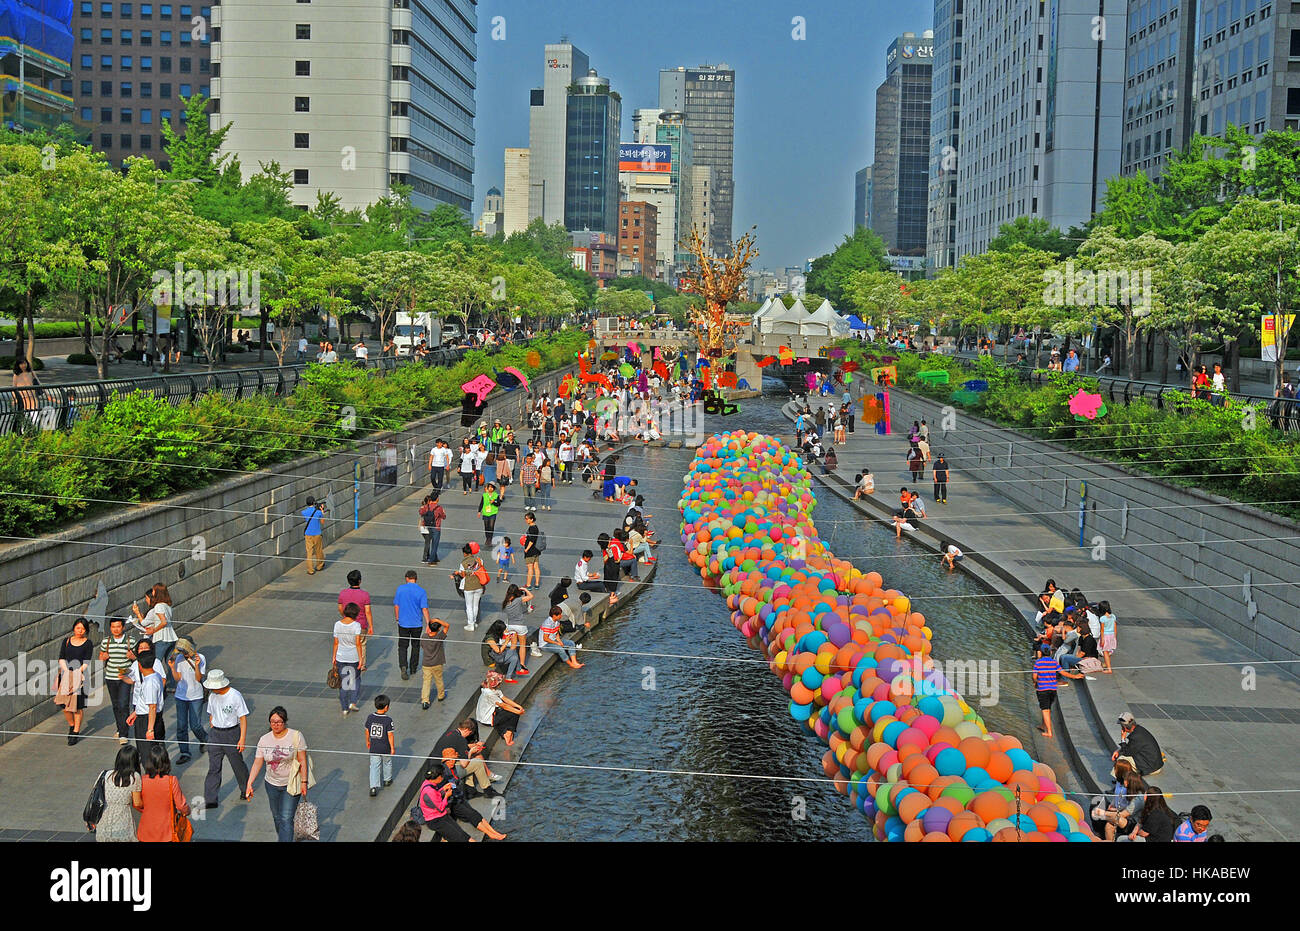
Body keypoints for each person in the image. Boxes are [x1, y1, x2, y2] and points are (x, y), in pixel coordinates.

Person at [246, 706, 309, 843]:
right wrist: (249, 783)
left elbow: (302, 759)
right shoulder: (264, 739)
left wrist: (304, 782)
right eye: (273, 722)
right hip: (271, 784)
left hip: (290, 784)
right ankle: (284, 837)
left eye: (279, 722)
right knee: (277, 817)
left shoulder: (296, 736)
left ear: (285, 722)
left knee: (286, 818)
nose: (276, 725)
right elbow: (258, 762)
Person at [203, 669, 250, 809]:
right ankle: (211, 798)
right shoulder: (212, 696)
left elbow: (243, 718)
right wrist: (213, 722)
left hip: (232, 733)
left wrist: (242, 739)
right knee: (214, 767)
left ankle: (245, 789)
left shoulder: (235, 695)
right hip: (215, 734)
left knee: (237, 764)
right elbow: (211, 713)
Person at [433, 719, 501, 799]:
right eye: (470, 732)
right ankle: (488, 791)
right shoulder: (461, 740)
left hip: (438, 765)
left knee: (471, 761)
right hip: (447, 772)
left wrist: (469, 748)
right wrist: (471, 752)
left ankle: (470, 791)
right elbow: (464, 764)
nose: (469, 735)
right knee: (477, 762)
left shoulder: (450, 733)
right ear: (467, 730)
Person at [135, 743, 190, 842]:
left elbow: (137, 803)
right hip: (167, 832)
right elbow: (181, 806)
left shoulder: (141, 781)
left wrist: (148, 810)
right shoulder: (171, 780)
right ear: (166, 762)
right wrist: (187, 811)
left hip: (146, 831)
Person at [168, 638, 207, 764]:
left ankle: (205, 740)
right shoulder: (179, 659)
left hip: (196, 696)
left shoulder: (200, 658)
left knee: (195, 725)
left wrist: (196, 665)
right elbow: (177, 679)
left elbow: (198, 678)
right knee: (181, 726)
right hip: (181, 696)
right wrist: (172, 668)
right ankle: (184, 752)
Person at [54, 618, 93, 746]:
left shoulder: (88, 643)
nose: (80, 631)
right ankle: (72, 725)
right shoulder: (66, 641)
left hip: (80, 676)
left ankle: (75, 732)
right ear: (74, 628)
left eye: (82, 628)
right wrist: (67, 672)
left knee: (77, 706)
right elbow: (61, 657)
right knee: (65, 706)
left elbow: (87, 661)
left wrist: (77, 672)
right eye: (78, 628)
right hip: (66, 675)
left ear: (86, 630)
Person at [100, 617, 138, 745]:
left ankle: (123, 733)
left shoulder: (130, 641)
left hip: (125, 677)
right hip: (110, 677)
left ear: (123, 627)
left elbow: (137, 658)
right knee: (116, 705)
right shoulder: (106, 641)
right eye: (113, 627)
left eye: (118, 626)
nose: (116, 629)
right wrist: (103, 657)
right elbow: (101, 656)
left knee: (123, 704)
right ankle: (120, 727)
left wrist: (133, 657)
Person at [92, 745, 142, 842]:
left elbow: (95, 796)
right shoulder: (134, 777)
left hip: (103, 824)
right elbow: (137, 802)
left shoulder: (104, 774)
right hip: (123, 824)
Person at [130, 583, 178, 684]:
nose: (152, 592)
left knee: (155, 663)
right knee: (171, 663)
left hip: (162, 638)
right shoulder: (167, 606)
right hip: (171, 638)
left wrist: (153, 630)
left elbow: (163, 622)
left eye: (153, 590)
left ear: (157, 592)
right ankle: (172, 685)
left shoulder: (158, 606)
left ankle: (158, 684)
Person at [125, 653, 166, 757]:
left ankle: (152, 773)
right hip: (145, 715)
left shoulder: (150, 683)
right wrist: (135, 713)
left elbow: (152, 706)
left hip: (148, 719)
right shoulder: (155, 675)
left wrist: (150, 729)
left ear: (139, 665)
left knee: (147, 753)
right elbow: (144, 701)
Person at [415, 768, 470, 842]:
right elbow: (440, 808)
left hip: (440, 816)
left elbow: (435, 797)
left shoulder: (427, 782)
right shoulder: (429, 791)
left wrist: (443, 789)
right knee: (461, 837)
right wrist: (447, 796)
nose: (443, 777)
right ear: (437, 777)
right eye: (442, 776)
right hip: (435, 820)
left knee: (462, 835)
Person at [393, 569, 431, 679]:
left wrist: (397, 618)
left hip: (403, 623)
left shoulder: (400, 589)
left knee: (403, 646)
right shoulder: (421, 591)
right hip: (416, 624)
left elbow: (396, 605)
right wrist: (428, 623)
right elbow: (424, 609)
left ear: (407, 578)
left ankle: (403, 666)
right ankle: (413, 667)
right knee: (415, 645)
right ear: (416, 578)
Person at [475, 671, 525, 745]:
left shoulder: (492, 690)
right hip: (487, 719)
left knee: (510, 711)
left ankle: (505, 733)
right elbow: (503, 705)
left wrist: (518, 706)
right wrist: (518, 712)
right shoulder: (489, 694)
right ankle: (508, 732)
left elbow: (504, 698)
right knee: (514, 714)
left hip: (491, 713)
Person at [333, 603, 365, 716]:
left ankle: (344, 708)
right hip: (353, 657)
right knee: (356, 679)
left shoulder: (337, 624)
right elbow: (357, 643)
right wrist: (361, 659)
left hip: (341, 657)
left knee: (344, 682)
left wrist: (334, 657)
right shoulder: (356, 625)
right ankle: (353, 701)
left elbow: (336, 643)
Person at [1113, 711, 1164, 777]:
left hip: (1151, 768)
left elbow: (1127, 752)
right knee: (1122, 755)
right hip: (1155, 764)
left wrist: (1123, 739)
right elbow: (1130, 747)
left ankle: (1119, 782)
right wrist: (1118, 750)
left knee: (1121, 760)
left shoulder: (1136, 737)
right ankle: (1119, 779)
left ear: (1124, 727)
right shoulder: (1139, 730)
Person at [364, 694, 395, 798]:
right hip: (385, 747)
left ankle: (373, 787)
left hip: (374, 747)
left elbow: (367, 731)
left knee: (374, 766)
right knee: (387, 762)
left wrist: (368, 741)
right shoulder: (388, 720)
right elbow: (390, 735)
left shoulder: (370, 717)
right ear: (386, 707)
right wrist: (392, 747)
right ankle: (387, 779)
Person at [539, 604, 583, 669]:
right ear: (554, 615)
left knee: (571, 643)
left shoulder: (557, 622)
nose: (561, 616)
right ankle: (571, 664)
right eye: (559, 614)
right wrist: (557, 643)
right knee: (560, 649)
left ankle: (574, 661)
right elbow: (545, 638)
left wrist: (559, 640)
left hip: (553, 640)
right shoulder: (548, 623)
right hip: (545, 644)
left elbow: (556, 633)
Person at [456, 543, 488, 632]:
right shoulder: (479, 560)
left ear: (465, 553)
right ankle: (474, 622)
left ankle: (470, 624)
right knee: (475, 605)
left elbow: (463, 575)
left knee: (469, 606)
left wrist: (458, 573)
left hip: (469, 586)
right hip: (479, 585)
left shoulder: (463, 563)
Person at [419, 616, 448, 708]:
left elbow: (422, 646)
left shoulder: (424, 637)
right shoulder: (439, 637)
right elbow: (447, 626)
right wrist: (437, 620)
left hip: (426, 663)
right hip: (437, 663)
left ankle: (425, 700)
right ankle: (441, 695)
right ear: (439, 628)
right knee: (438, 680)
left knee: (426, 682)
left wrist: (431, 623)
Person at [337, 570, 374, 640]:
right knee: (361, 645)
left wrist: (344, 616)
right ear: (359, 581)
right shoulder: (365, 594)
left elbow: (340, 608)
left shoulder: (343, 593)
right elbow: (368, 611)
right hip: (361, 625)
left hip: (347, 624)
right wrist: (371, 626)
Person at [1033, 645, 1059, 738]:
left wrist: (1035, 683)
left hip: (1043, 689)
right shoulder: (1054, 662)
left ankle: (1049, 732)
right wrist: (1073, 676)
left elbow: (1034, 677)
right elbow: (1061, 671)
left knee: (1045, 709)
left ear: (1041, 652)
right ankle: (1043, 725)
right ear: (1050, 652)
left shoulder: (1038, 663)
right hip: (1053, 690)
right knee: (1047, 707)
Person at [301, 495, 327, 574]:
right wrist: (322, 512)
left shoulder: (303, 512)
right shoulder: (318, 512)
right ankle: (319, 566)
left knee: (309, 552)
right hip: (317, 534)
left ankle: (310, 570)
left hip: (308, 534)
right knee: (318, 550)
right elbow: (322, 522)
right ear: (314, 502)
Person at [522, 511, 543, 588]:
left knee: (530, 568)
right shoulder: (535, 527)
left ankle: (528, 585)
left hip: (531, 551)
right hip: (536, 550)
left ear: (532, 519)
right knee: (536, 567)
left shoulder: (532, 528)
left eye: (527, 519)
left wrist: (526, 549)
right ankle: (537, 584)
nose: (526, 520)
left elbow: (532, 540)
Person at [1096, 600, 1117, 674]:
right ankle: (1107, 664)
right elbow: (1115, 627)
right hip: (1111, 635)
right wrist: (1114, 636)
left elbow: (1102, 630)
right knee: (1108, 651)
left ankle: (1109, 669)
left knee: (1105, 651)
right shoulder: (1113, 616)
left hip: (1105, 635)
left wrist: (1102, 639)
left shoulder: (1102, 618)